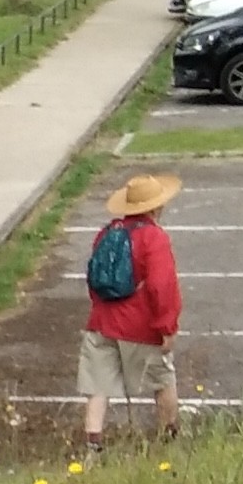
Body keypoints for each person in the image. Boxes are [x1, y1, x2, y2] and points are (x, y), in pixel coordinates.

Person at [80, 171, 183, 449]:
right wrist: (167, 327)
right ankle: (168, 438)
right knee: (162, 380)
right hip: (140, 327)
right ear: (156, 207)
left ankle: (93, 447)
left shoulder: (106, 233)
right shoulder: (154, 238)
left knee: (97, 386)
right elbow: (162, 286)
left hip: (101, 322)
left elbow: (94, 278)